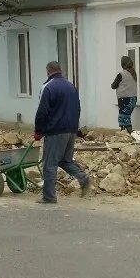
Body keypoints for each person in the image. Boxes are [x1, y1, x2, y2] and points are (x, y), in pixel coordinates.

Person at [34, 61, 91, 204]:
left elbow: (42, 112)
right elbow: (78, 108)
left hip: (55, 131)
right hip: (71, 130)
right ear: (60, 70)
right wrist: (75, 128)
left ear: (48, 71)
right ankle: (84, 179)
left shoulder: (48, 87)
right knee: (65, 161)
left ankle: (49, 197)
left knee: (49, 164)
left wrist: (38, 130)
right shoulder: (71, 86)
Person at [110, 56, 138, 134]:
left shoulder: (121, 74)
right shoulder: (133, 73)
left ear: (123, 64)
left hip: (124, 99)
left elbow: (113, 86)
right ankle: (125, 135)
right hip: (133, 99)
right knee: (126, 117)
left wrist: (112, 85)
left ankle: (128, 135)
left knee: (124, 118)